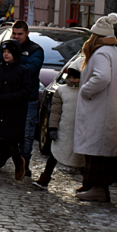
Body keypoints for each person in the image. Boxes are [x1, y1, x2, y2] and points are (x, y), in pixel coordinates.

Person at [74, 13, 117, 202]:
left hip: (99, 110)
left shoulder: (102, 52)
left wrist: (85, 91)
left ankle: (98, 189)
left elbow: (102, 77)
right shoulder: (114, 52)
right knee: (100, 150)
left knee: (97, 151)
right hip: (106, 110)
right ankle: (95, 186)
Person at [0, 20, 43, 177]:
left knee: (26, 134)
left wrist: (11, 65)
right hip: (5, 98)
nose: (16, 36)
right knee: (3, 133)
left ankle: (24, 164)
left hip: (26, 99)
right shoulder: (5, 46)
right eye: (14, 33)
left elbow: (31, 69)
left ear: (27, 33)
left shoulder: (35, 49)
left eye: (19, 34)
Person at [0, 40, 33, 183]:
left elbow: (26, 90)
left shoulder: (23, 71)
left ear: (15, 54)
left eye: (9, 52)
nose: (6, 55)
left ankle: (18, 162)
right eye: (4, 52)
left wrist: (9, 96)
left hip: (14, 111)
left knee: (10, 142)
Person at [33, 61, 85, 189]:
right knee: (55, 153)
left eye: (76, 77)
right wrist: (53, 128)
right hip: (63, 128)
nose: (73, 80)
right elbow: (55, 111)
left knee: (81, 158)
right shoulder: (61, 91)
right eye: (71, 77)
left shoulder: (84, 92)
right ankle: (45, 177)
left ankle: (87, 184)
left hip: (79, 130)